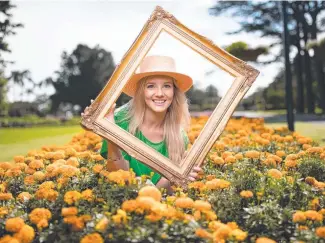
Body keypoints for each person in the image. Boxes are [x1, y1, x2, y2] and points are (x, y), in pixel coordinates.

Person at [100, 55, 201, 193]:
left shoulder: (179, 137)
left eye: (166, 86)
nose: (159, 93)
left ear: (174, 92)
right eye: (151, 86)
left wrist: (180, 176)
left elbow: (165, 192)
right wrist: (112, 134)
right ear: (141, 91)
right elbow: (120, 179)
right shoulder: (119, 120)